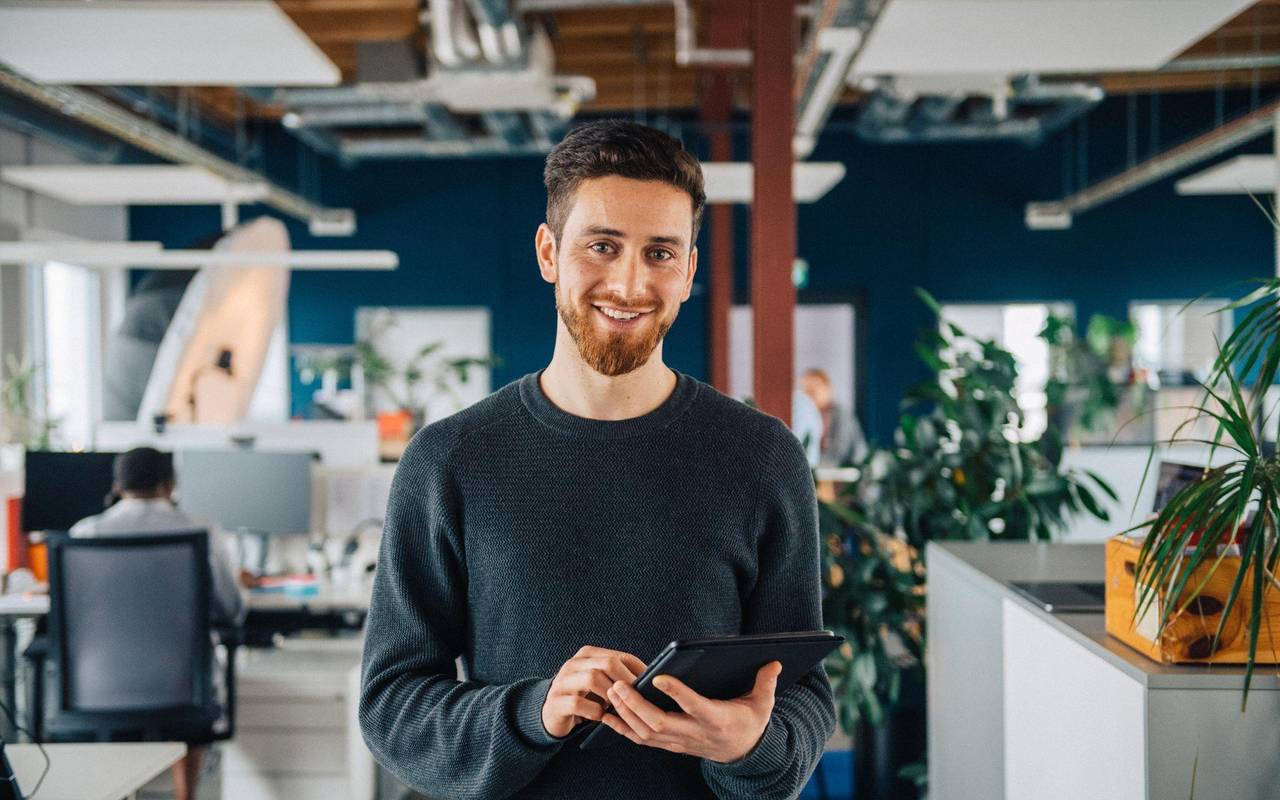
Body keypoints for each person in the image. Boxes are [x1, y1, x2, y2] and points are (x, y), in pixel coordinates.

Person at [360, 120, 835, 800]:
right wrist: (535, 711)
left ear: (690, 270)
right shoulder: (450, 460)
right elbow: (392, 706)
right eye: (602, 246)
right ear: (549, 252)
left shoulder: (761, 457)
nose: (629, 282)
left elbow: (801, 696)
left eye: (661, 253)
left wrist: (753, 745)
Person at [70, 446, 246, 800]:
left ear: (118, 486)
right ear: (169, 484)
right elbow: (232, 610)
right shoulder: (202, 531)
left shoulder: (84, 534)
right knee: (184, 682)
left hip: (99, 689)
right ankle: (186, 795)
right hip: (182, 688)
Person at [800, 368, 868, 467]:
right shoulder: (809, 417)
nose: (811, 393)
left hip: (851, 473)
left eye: (816, 387)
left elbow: (839, 453)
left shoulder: (840, 414)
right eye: (807, 389)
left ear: (828, 388)